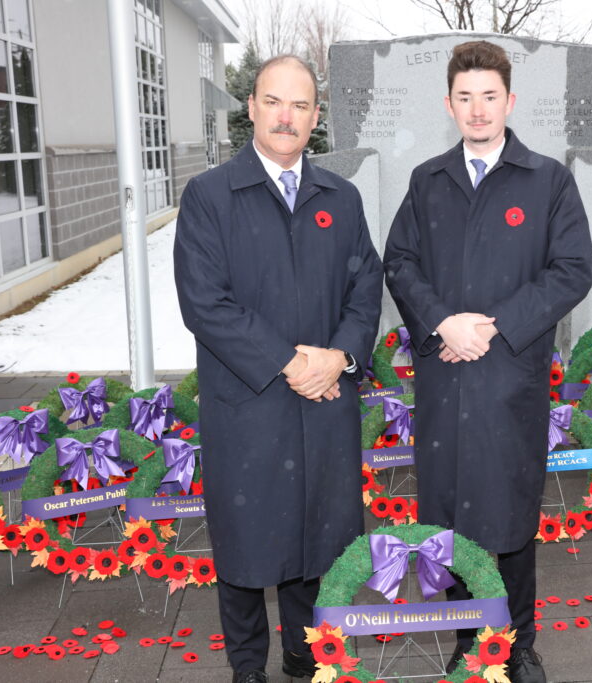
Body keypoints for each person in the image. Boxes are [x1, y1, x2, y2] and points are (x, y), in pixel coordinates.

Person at [383, 40, 592, 683]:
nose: (478, 109)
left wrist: (493, 328)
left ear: (510, 100)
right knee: (450, 516)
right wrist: (442, 321)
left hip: (509, 377)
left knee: (511, 515)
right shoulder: (428, 181)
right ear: (449, 104)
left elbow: (571, 271)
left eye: (490, 96)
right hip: (446, 376)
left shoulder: (547, 180)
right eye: (465, 97)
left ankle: (519, 643)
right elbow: (400, 263)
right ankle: (468, 636)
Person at [173, 55, 382, 683]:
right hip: (250, 401)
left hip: (325, 400)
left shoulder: (340, 197)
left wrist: (340, 357)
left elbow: (366, 287)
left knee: (316, 536)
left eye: (299, 105)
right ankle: (247, 666)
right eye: (273, 102)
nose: (286, 117)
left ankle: (303, 649)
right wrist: (289, 361)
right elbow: (205, 302)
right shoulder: (210, 195)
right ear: (252, 108)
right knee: (246, 541)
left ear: (315, 116)